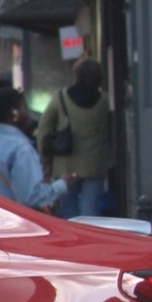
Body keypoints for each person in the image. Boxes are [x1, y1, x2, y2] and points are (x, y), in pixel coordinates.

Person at [0, 85, 68, 211]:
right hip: (14, 220)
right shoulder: (20, 148)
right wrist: (62, 184)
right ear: (15, 112)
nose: (28, 113)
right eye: (24, 106)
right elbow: (31, 197)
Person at [41, 58, 116, 218]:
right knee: (90, 212)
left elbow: (44, 128)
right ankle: (89, 241)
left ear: (77, 76)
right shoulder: (104, 101)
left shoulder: (60, 98)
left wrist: (46, 160)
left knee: (68, 212)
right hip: (94, 165)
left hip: (65, 166)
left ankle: (71, 242)